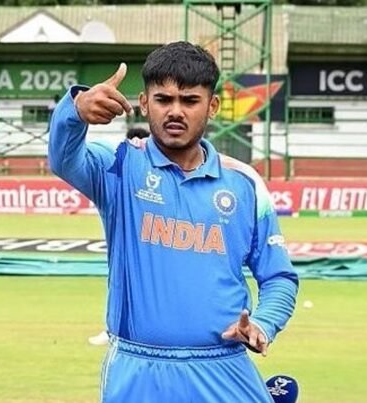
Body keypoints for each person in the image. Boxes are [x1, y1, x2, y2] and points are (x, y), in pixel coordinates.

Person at [48, 41, 298, 402]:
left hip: (223, 367)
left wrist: (263, 322)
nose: (175, 111)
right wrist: (74, 111)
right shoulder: (120, 167)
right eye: (164, 99)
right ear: (144, 103)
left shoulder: (244, 183)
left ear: (212, 106)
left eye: (190, 100)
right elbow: (63, 158)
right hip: (139, 368)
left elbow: (278, 277)